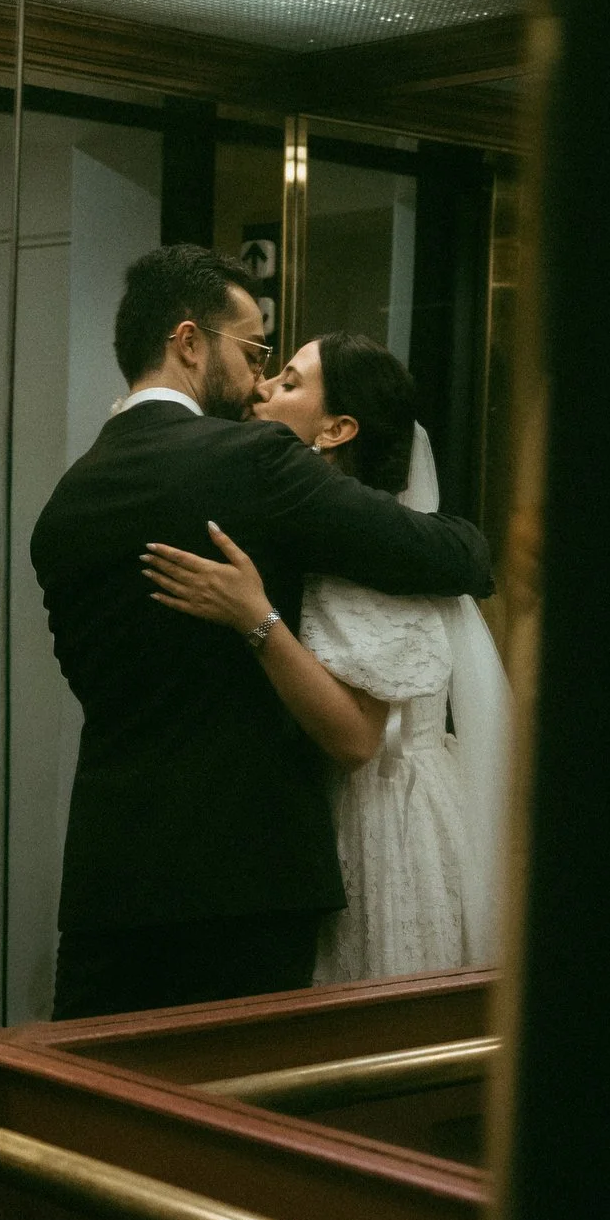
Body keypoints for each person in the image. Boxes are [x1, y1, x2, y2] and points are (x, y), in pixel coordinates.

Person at [30, 246, 497, 1018]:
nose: (256, 383)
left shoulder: (64, 505)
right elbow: (432, 551)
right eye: (253, 354)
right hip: (248, 878)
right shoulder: (252, 461)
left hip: (109, 882)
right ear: (189, 342)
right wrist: (483, 547)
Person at [142, 334, 515, 981]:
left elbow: (356, 738)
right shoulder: (329, 533)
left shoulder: (367, 555)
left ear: (338, 428)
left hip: (379, 826)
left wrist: (254, 617)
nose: (261, 390)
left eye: (288, 383)